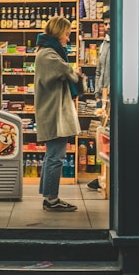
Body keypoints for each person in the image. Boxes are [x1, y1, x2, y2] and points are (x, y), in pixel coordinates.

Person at [34, 15, 85, 212]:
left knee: (52, 156)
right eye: (67, 33)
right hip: (54, 114)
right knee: (56, 157)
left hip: (53, 111)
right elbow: (68, 72)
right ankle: (51, 199)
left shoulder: (48, 52)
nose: (68, 38)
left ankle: (48, 196)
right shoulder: (49, 55)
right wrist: (77, 75)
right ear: (58, 32)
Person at [88, 16, 111, 192]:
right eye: (105, 24)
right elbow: (98, 71)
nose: (108, 26)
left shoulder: (122, 43)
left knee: (111, 137)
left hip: (114, 96)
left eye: (110, 23)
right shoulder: (104, 44)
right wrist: (97, 94)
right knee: (101, 137)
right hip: (102, 97)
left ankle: (109, 176)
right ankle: (102, 175)